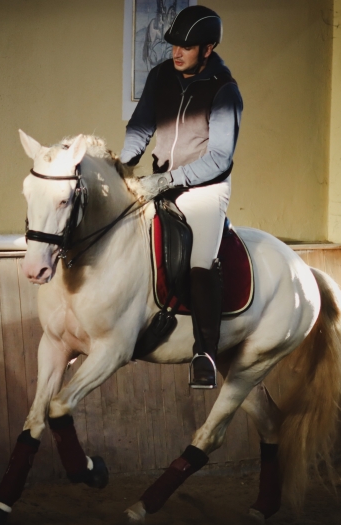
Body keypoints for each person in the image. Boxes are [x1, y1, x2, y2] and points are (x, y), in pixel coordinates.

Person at [121, 5, 243, 389]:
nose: (176, 52)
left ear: (207, 49)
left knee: (200, 261)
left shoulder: (225, 90)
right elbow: (140, 127)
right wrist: (122, 166)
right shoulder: (161, 76)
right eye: (174, 45)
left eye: (186, 47)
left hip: (203, 190)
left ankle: (204, 353)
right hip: (159, 181)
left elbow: (220, 158)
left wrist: (171, 180)